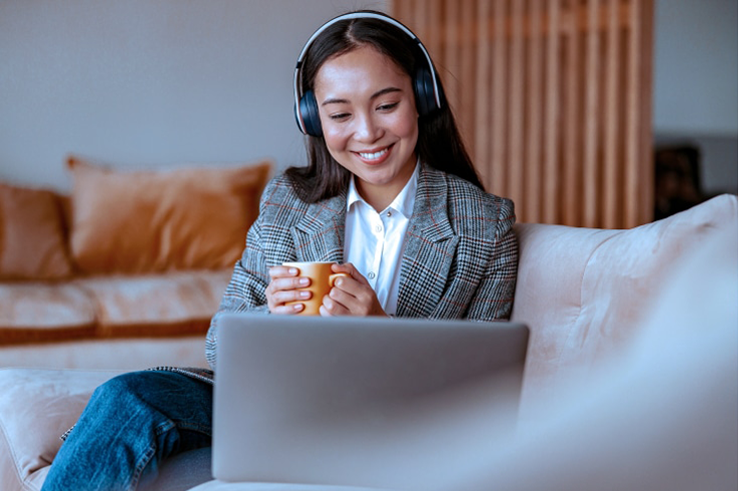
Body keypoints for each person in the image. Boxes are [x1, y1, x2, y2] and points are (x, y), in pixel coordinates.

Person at [41, 10, 518, 491]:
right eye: (340, 115)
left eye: (386, 105)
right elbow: (217, 344)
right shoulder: (287, 203)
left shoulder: (485, 225)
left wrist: (380, 335)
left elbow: (480, 393)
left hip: (386, 427)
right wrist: (269, 316)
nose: (367, 132)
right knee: (129, 397)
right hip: (275, 410)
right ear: (313, 119)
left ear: (422, 98)